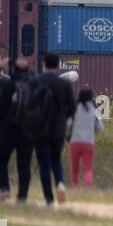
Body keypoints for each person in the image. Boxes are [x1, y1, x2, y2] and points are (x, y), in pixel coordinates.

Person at [27, 53, 75, 207]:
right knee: (56, 159)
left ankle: (49, 200)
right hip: (58, 130)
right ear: (58, 65)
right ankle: (60, 184)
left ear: (44, 64)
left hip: (40, 130)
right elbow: (73, 108)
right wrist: (62, 118)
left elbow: (29, 104)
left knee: (44, 165)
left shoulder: (36, 81)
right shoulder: (64, 84)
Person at [0, 56, 34, 203]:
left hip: (7, 131)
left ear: (13, 69)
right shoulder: (34, 85)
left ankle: (5, 189)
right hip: (27, 132)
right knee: (24, 165)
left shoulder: (7, 84)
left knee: (1, 160)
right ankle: (22, 197)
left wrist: (0, 65)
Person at [68, 87, 102, 188]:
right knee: (88, 168)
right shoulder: (93, 110)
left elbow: (68, 124)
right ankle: (88, 186)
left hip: (75, 142)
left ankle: (75, 187)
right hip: (89, 143)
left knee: (75, 168)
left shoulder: (75, 109)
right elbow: (100, 128)